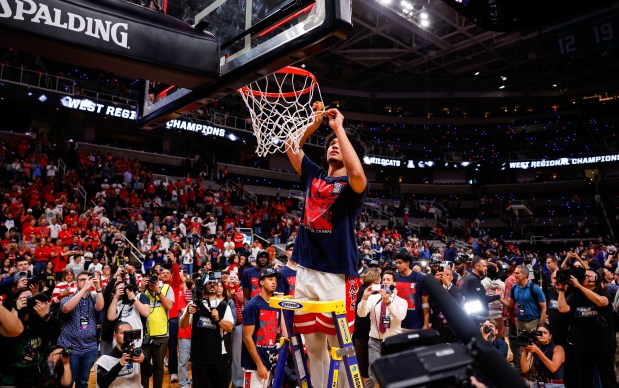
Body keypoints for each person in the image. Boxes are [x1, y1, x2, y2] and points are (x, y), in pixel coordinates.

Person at [285, 106, 367, 387]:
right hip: (306, 269)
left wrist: (339, 129)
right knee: (313, 344)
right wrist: (313, 122)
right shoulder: (314, 174)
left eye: (339, 145)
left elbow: (357, 172)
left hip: (336, 273)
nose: (334, 146)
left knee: (339, 346)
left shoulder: (352, 183)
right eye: (330, 144)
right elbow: (291, 145)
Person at [558, 268, 617, 387]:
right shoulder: (575, 296)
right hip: (582, 347)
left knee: (608, 381)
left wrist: (579, 286)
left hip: (603, 346)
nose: (587, 277)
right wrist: (561, 291)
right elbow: (563, 309)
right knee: (585, 381)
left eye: (590, 276)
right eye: (585, 276)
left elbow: (601, 302)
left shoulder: (602, 292)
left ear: (597, 279)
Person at [180, 272, 234, 387]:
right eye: (209, 283)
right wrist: (187, 314)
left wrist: (219, 320)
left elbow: (230, 328)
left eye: (215, 283)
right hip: (199, 356)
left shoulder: (224, 305)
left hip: (219, 355)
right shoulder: (194, 304)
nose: (212, 285)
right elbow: (183, 325)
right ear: (204, 286)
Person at [357, 270, 407, 388]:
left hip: (393, 342)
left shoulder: (401, 301)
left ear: (394, 282)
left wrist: (388, 302)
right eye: (383, 279)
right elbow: (361, 314)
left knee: (394, 374)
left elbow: (400, 317)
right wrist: (364, 298)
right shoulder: (373, 298)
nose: (385, 282)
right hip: (375, 341)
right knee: (373, 374)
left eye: (388, 280)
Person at [57, 271, 104, 388]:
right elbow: (66, 308)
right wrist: (84, 289)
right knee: (67, 382)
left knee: (83, 382)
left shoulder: (93, 298)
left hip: (89, 347)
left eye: (87, 279)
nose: (85, 282)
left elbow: (100, 307)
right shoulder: (68, 298)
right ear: (76, 282)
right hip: (70, 346)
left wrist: (98, 288)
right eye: (82, 280)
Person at [242, 268, 281, 388]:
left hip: (269, 362)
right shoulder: (252, 305)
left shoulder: (276, 304)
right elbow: (247, 338)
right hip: (254, 365)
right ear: (261, 282)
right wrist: (259, 364)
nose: (274, 282)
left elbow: (276, 331)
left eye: (275, 280)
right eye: (270, 279)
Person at [142, 266, 174, 388]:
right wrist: (141, 289)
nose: (153, 279)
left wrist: (158, 291)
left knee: (158, 367)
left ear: (159, 277)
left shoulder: (166, 288)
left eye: (155, 276)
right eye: (151, 277)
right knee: (144, 367)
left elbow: (169, 306)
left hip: (161, 334)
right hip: (145, 334)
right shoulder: (143, 290)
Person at [95, 321, 153, 388]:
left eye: (129, 333)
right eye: (123, 333)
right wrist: (119, 365)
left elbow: (149, 374)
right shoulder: (105, 359)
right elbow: (102, 383)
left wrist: (144, 361)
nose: (127, 336)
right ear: (115, 336)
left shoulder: (138, 354)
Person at [520, 322, 565, 388]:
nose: (542, 335)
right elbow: (524, 369)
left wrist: (538, 351)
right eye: (539, 333)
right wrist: (524, 351)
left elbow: (553, 368)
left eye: (545, 333)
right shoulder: (535, 347)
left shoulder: (558, 348)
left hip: (555, 385)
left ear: (550, 335)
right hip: (539, 384)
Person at [394, 249, 429, 330]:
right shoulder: (394, 277)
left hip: (415, 324)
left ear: (407, 262)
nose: (397, 265)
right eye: (396, 263)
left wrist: (426, 324)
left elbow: (425, 303)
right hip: (397, 324)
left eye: (400, 262)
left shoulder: (420, 278)